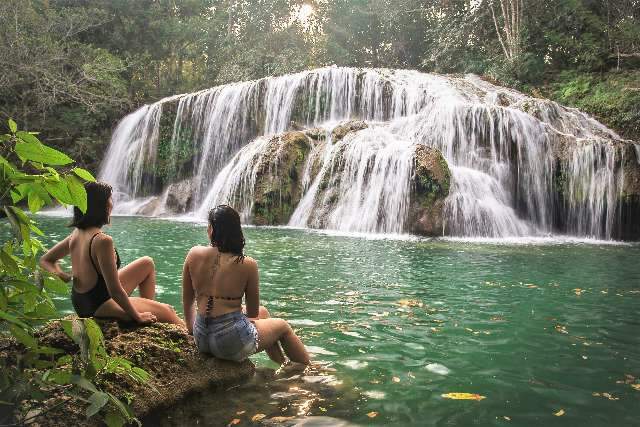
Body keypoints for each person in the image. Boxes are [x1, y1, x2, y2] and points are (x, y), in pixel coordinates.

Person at [40, 181, 184, 327]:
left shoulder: (77, 233)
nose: (112, 204)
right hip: (98, 305)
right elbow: (115, 290)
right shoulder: (102, 241)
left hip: (82, 301)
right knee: (169, 311)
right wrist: (137, 316)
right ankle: (191, 338)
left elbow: (46, 260)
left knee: (147, 263)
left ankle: (149, 308)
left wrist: (59, 274)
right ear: (101, 206)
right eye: (109, 199)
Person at [182, 204, 310, 365]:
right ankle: (307, 371)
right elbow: (252, 313)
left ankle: (283, 364)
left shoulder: (194, 253)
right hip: (230, 343)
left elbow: (187, 300)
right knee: (283, 326)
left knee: (264, 312)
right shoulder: (247, 264)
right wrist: (232, 309)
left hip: (201, 337)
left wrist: (191, 330)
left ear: (212, 230)